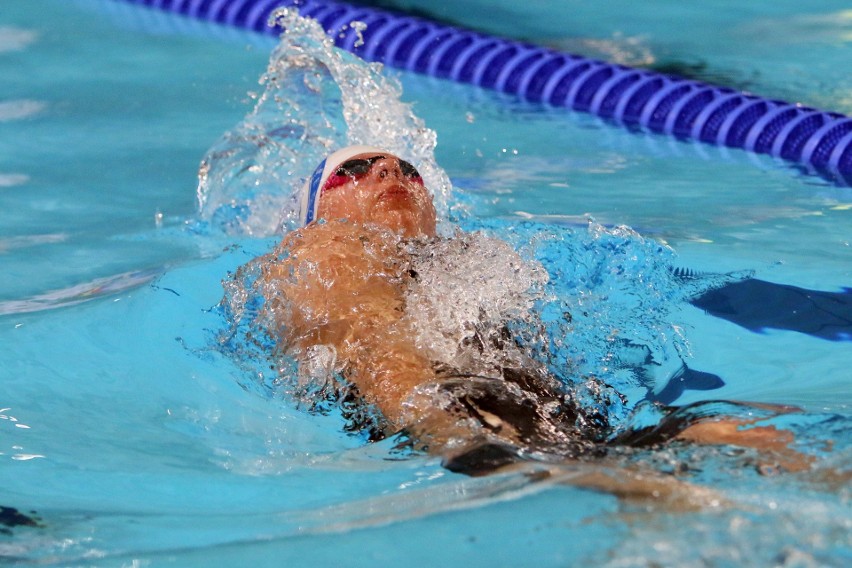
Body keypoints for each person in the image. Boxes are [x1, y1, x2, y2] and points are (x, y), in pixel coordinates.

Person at [253, 145, 810, 498]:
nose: (389, 169)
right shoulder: (326, 249)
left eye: (409, 168)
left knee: (755, 433)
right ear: (317, 210)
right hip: (460, 428)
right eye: (353, 169)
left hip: (546, 422)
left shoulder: (459, 261)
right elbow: (373, 350)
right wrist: (461, 442)